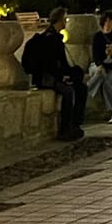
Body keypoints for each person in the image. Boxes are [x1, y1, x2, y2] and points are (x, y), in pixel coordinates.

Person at [21, 8, 87, 141]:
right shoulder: (49, 39)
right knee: (68, 92)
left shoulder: (57, 38)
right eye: (65, 19)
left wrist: (71, 74)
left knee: (81, 87)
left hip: (55, 75)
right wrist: (62, 77)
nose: (66, 22)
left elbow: (62, 63)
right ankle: (65, 128)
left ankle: (75, 124)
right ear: (60, 20)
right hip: (46, 77)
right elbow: (48, 64)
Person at [88, 10, 112, 123]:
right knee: (100, 74)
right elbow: (95, 55)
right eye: (106, 21)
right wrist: (100, 65)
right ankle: (86, 93)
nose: (108, 23)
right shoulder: (98, 36)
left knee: (107, 83)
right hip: (101, 65)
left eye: (110, 21)